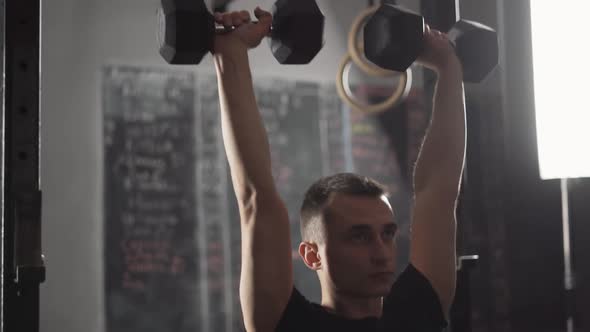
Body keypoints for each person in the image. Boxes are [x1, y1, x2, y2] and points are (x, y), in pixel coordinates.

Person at [212, 6, 465, 332]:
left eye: (387, 233)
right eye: (358, 237)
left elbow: (440, 190)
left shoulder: (415, 314)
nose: (381, 253)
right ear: (312, 255)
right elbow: (256, 199)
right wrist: (229, 54)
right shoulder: (288, 323)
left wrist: (448, 66)